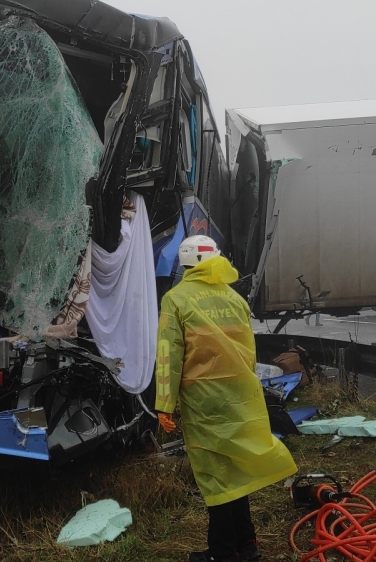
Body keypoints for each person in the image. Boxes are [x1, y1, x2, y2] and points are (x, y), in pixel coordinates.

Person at [155, 235, 299, 562]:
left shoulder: (176, 299)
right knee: (236, 471)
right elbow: (249, 353)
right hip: (240, 396)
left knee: (214, 476)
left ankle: (221, 552)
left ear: (185, 264)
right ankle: (247, 545)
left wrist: (164, 403)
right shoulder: (234, 299)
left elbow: (168, 356)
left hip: (203, 399)